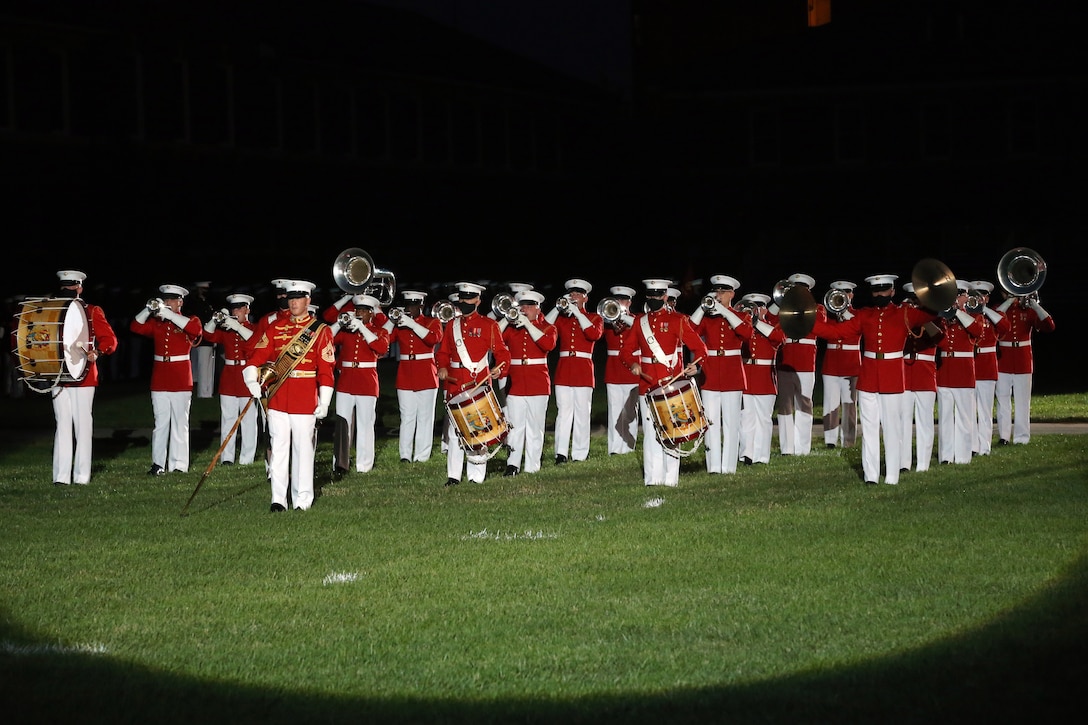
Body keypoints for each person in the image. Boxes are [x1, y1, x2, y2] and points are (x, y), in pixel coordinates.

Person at [811, 274, 938, 485]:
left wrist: (931, 292)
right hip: (869, 377)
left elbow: (931, 313)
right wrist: (807, 322)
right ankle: (871, 476)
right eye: (876, 290)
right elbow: (835, 332)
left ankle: (891, 476)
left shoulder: (904, 313)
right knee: (869, 429)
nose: (879, 293)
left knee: (892, 428)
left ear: (893, 291)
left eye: (884, 289)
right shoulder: (865, 315)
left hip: (892, 378)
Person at [242, 280, 335, 512]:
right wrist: (251, 380)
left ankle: (302, 499)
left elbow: (326, 371)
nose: (293, 302)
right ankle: (278, 499)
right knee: (279, 449)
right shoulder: (275, 328)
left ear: (308, 301)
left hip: (305, 400)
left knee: (304, 451)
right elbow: (256, 357)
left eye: (298, 298)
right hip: (278, 398)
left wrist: (324, 402)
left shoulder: (320, 331)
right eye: (290, 298)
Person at [621, 278, 708, 487]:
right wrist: (633, 364)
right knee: (651, 433)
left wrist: (695, 366)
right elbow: (625, 351)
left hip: (672, 383)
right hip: (647, 385)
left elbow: (700, 349)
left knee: (672, 431)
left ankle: (671, 480)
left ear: (665, 297)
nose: (653, 300)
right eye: (650, 296)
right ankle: (653, 479)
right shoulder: (640, 322)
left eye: (657, 296)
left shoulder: (678, 320)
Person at [435, 281, 511, 486]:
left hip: (477, 382)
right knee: (455, 430)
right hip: (454, 383)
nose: (464, 302)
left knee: (478, 428)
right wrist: (442, 367)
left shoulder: (489, 325)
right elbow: (442, 353)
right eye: (462, 298)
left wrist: (499, 369)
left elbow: (503, 353)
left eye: (469, 298)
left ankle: (476, 476)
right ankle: (453, 475)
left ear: (478, 300)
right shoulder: (452, 325)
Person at [50, 270, 118, 485]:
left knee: (82, 425)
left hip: (84, 375)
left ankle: (81, 476)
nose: (70, 290)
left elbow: (110, 340)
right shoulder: (52, 311)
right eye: (66, 288)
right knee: (62, 424)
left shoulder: (91, 311)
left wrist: (97, 352)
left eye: (71, 287)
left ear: (79, 288)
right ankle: (61, 477)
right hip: (59, 373)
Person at [130, 284, 204, 475]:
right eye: (166, 300)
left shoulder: (189, 320)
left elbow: (195, 330)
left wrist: (170, 314)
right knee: (161, 422)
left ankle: (179, 464)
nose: (168, 303)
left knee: (180, 422)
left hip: (180, 378)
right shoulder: (157, 322)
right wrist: (149, 309)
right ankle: (158, 463)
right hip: (160, 378)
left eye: (172, 300)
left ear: (180, 301)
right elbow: (135, 326)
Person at [689, 274, 751, 475]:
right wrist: (703, 305)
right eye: (717, 291)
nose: (719, 295)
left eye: (723, 291)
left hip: (732, 373)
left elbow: (746, 333)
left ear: (732, 293)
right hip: (711, 372)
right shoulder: (708, 317)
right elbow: (690, 329)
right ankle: (714, 466)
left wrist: (724, 311)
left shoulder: (741, 315)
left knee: (731, 423)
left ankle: (729, 466)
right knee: (711, 421)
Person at [329, 293, 390, 476]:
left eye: (364, 311)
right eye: (358, 310)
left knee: (365, 424)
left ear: (372, 314)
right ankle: (340, 463)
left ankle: (364, 465)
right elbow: (326, 337)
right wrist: (340, 323)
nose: (360, 313)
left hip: (366, 382)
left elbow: (380, 348)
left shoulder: (380, 331)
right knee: (342, 423)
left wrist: (362, 328)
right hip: (346, 381)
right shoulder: (347, 331)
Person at [545, 278, 603, 464]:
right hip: (564, 368)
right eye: (572, 293)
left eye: (579, 294)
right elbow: (544, 325)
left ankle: (579, 453)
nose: (575, 296)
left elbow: (593, 334)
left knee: (582, 413)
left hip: (583, 370)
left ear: (585, 298)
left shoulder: (594, 317)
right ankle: (560, 453)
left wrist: (578, 313)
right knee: (564, 412)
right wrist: (558, 306)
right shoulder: (562, 318)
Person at [500, 289, 558, 476]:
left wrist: (527, 324)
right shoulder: (512, 328)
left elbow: (547, 345)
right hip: (515, 382)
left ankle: (532, 466)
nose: (524, 309)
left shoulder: (548, 327)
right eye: (522, 305)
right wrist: (507, 318)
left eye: (528, 306)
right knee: (515, 426)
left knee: (535, 427)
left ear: (537, 308)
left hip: (538, 382)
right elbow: (494, 337)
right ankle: (513, 464)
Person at [383, 289, 443, 463]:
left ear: (421, 306)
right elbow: (384, 338)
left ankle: (421, 456)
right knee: (407, 416)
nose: (410, 308)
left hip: (426, 373)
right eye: (408, 305)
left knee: (425, 417)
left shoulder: (432, 322)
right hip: (405, 374)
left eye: (414, 305)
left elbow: (433, 339)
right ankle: (405, 455)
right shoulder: (400, 325)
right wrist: (393, 320)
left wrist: (412, 324)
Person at [767, 273, 821, 456]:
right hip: (786, 360)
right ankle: (787, 448)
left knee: (805, 404)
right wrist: (779, 301)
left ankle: (802, 448)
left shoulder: (817, 308)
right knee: (785, 405)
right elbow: (768, 318)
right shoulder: (784, 309)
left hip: (806, 364)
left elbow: (816, 324)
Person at [201, 293, 258, 466]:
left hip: (246, 375)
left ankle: (247, 458)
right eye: (234, 309)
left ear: (247, 309)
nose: (236, 311)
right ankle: (227, 457)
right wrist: (216, 319)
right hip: (229, 376)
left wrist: (236, 326)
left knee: (248, 420)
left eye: (240, 308)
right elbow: (207, 335)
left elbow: (255, 341)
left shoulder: (254, 328)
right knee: (228, 419)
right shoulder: (226, 330)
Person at [994, 289, 1055, 445]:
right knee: (1002, 400)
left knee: (1023, 401)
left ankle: (1021, 437)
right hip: (1003, 360)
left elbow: (1049, 326)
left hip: (1023, 360)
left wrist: (1034, 305)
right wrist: (1009, 301)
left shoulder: (1028, 310)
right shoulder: (999, 308)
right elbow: (994, 320)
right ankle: (1004, 436)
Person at [935, 281, 985, 465]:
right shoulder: (943, 317)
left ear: (966, 296)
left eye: (959, 295)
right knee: (945, 417)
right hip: (945, 370)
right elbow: (938, 341)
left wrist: (958, 312)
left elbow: (978, 331)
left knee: (964, 417)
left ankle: (963, 456)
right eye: (953, 295)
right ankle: (946, 457)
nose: (956, 299)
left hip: (964, 372)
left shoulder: (974, 315)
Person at [899, 282, 943, 473]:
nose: (915, 303)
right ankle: (903, 462)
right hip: (904, 373)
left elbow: (939, 337)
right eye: (913, 299)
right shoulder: (903, 316)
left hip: (925, 374)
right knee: (903, 421)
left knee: (924, 421)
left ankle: (923, 464)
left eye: (918, 300)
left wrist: (922, 317)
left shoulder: (933, 317)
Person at [741, 293, 784, 466]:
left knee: (763, 419)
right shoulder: (743, 327)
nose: (754, 310)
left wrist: (757, 323)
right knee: (746, 418)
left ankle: (761, 455)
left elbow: (779, 338)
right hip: (746, 374)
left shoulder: (773, 325)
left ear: (765, 309)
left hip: (765, 377)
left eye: (758, 307)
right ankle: (746, 454)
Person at [968, 280, 1010, 456]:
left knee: (985, 409)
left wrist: (984, 309)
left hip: (986, 366)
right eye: (975, 295)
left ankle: (984, 447)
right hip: (970, 366)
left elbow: (1005, 327)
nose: (979, 299)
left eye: (983, 295)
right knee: (969, 410)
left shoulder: (994, 314)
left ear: (987, 297)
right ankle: (971, 446)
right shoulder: (968, 314)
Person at [820, 280, 861, 449]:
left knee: (849, 404)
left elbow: (859, 328)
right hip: (831, 364)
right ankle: (830, 439)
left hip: (850, 364)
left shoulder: (857, 315)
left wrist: (845, 312)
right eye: (839, 293)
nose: (843, 296)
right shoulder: (828, 316)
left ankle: (849, 440)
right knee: (830, 403)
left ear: (851, 295)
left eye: (846, 293)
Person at [601, 285, 640, 455]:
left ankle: (629, 446)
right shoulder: (607, 321)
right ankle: (615, 448)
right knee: (614, 410)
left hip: (632, 370)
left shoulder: (637, 320)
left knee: (630, 410)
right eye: (617, 300)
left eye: (623, 300)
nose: (620, 303)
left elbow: (640, 328)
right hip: (614, 370)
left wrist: (626, 318)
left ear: (629, 302)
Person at [189, 281, 217, 399]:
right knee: (203, 367)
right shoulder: (196, 304)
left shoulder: (208, 303)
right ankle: (203, 392)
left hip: (210, 338)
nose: (205, 292)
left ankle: (208, 392)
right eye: (203, 290)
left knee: (209, 367)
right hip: (202, 339)